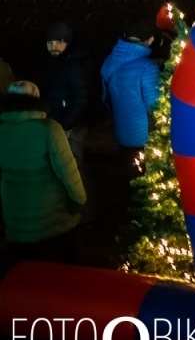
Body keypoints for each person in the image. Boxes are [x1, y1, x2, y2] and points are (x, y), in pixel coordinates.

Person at [0, 81, 86, 262]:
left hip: (16, 214)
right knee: (71, 260)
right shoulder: (49, 128)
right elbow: (67, 169)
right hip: (52, 214)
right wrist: (79, 198)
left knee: (27, 267)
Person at [100, 16, 160, 158]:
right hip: (145, 138)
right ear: (150, 39)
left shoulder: (109, 62)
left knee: (128, 167)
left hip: (120, 133)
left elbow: (105, 98)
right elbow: (155, 106)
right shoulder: (148, 68)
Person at [41, 20, 90, 167]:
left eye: (59, 42)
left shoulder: (74, 66)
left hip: (72, 127)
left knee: (74, 165)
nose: (53, 47)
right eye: (50, 43)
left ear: (67, 43)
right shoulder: (55, 62)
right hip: (60, 123)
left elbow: (80, 100)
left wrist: (64, 124)